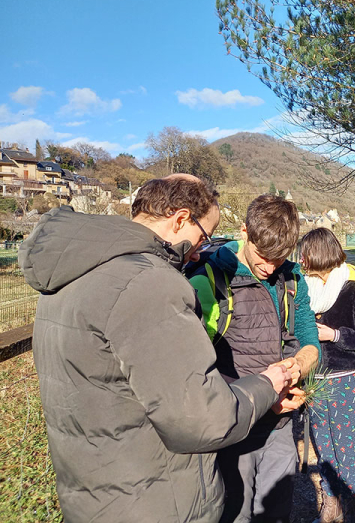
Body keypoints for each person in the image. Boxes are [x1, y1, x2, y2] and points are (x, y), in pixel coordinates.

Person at [18, 174, 292, 523]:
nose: (199, 250)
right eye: (203, 236)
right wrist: (267, 384)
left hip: (91, 493)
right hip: (155, 499)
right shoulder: (147, 281)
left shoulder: (65, 277)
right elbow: (203, 419)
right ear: (180, 219)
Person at [187, 194, 320, 523]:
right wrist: (260, 400)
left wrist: (299, 368)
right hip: (233, 432)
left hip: (281, 426)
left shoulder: (291, 279)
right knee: (236, 513)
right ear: (244, 231)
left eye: (279, 259)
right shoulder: (208, 280)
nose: (270, 268)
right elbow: (190, 372)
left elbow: (310, 342)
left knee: (276, 512)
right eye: (263, 257)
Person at [299, 227, 355, 523]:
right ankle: (330, 500)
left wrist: (334, 334)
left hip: (344, 378)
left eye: (305, 254)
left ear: (317, 254)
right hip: (312, 380)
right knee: (322, 442)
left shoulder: (354, 288)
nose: (301, 260)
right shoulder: (300, 287)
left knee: (343, 442)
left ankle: (351, 501)